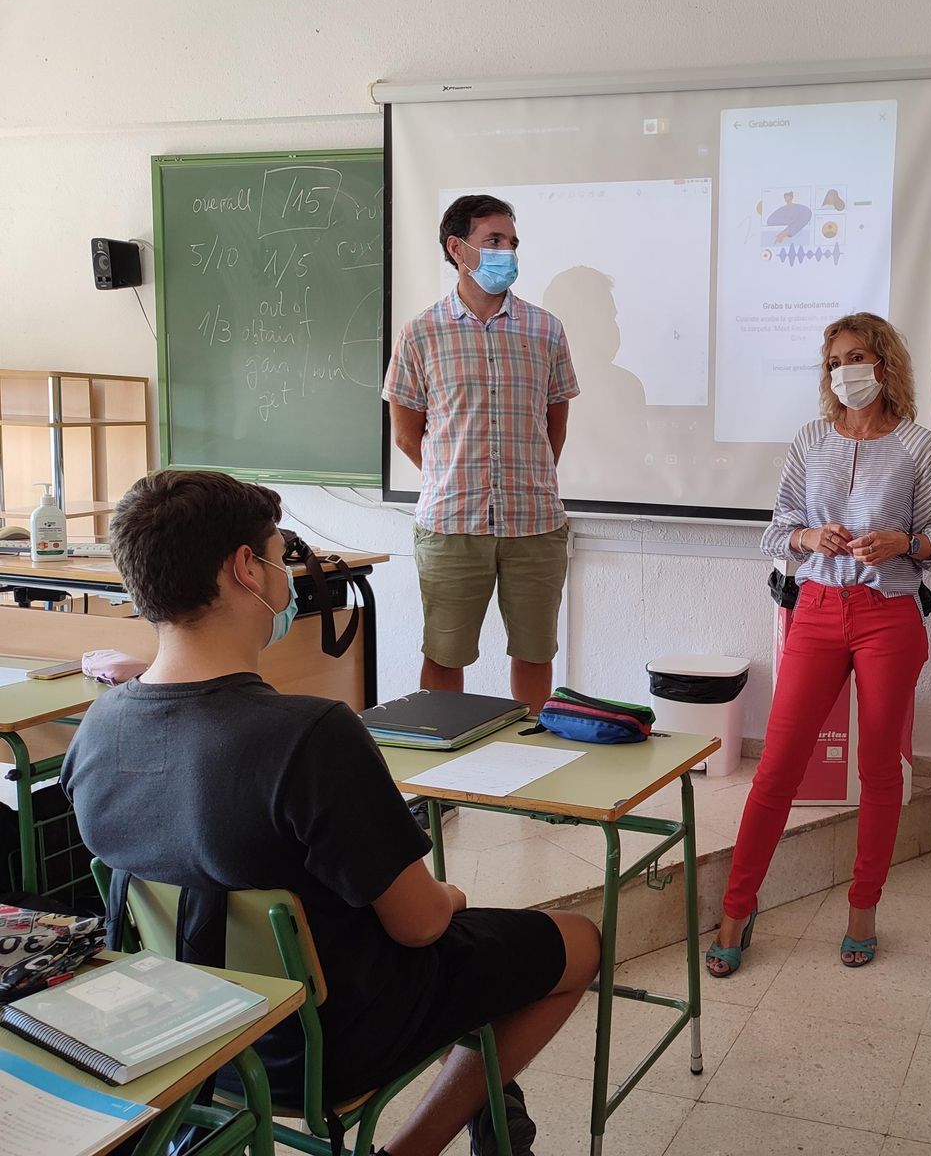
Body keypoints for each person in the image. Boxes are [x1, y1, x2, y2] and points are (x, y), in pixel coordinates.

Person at [60, 471, 600, 1156]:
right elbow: (419, 924)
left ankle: (492, 1105)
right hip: (319, 1046)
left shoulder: (97, 729)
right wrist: (450, 896)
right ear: (242, 570)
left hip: (182, 1038)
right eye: (279, 554)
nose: (287, 573)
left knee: (460, 952)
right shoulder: (312, 735)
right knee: (572, 940)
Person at [707, 312, 931, 975]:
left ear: (883, 363)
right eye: (832, 363)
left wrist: (905, 543)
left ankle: (863, 908)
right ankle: (738, 907)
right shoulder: (810, 440)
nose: (843, 371)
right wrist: (806, 538)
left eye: (855, 357)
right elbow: (776, 531)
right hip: (818, 609)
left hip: (888, 615)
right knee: (776, 767)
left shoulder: (916, 445)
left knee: (880, 770)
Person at [384, 194, 579, 707]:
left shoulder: (545, 329)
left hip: (534, 523)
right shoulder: (420, 333)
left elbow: (553, 425)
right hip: (451, 525)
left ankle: (532, 760)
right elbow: (406, 433)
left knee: (536, 654)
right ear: (458, 248)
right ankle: (449, 769)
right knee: (445, 655)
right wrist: (454, 477)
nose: (507, 252)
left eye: (512, 242)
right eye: (494, 240)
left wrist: (526, 476)